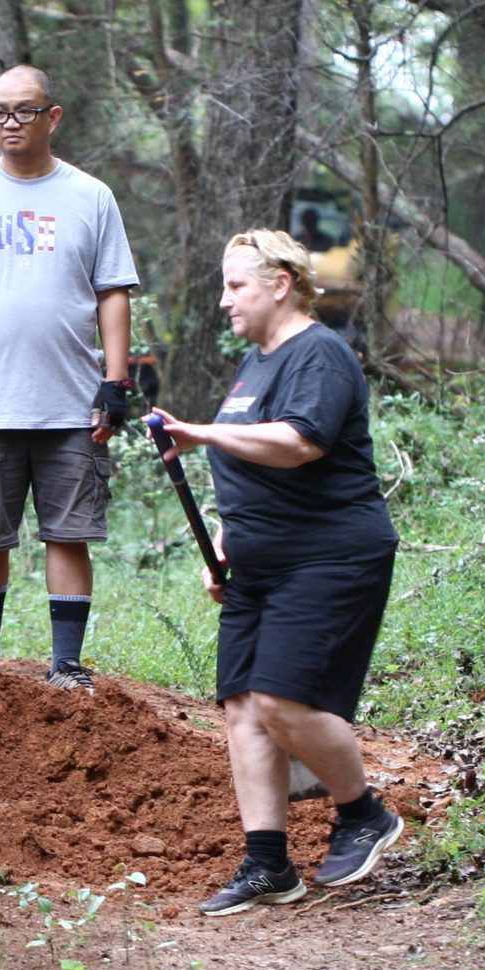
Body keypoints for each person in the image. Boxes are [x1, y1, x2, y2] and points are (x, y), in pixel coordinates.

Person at [145, 230, 405, 916]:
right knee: (241, 710)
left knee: (281, 701)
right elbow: (250, 467)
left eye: (236, 286)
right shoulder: (253, 366)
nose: (224, 300)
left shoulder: (318, 352)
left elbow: (298, 442)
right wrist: (231, 539)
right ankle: (267, 863)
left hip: (330, 554)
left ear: (281, 283)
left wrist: (199, 431)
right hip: (262, 563)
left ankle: (363, 813)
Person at [0, 64, 138, 688]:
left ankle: (66, 666)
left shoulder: (91, 197)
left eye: (23, 111)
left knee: (68, 535)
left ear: (53, 116)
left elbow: (113, 292)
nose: (10, 123)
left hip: (70, 401)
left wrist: (113, 382)